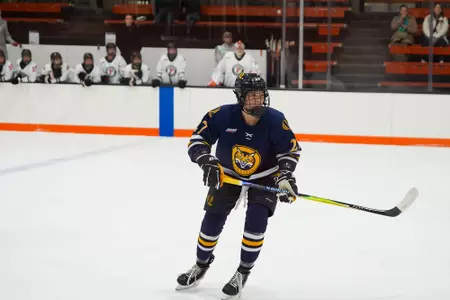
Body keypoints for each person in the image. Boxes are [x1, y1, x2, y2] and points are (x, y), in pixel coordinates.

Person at [176, 73, 301, 300]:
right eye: (251, 96)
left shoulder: (275, 120)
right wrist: (207, 161)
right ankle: (201, 264)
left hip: (265, 177)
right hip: (229, 175)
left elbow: (290, 150)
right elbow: (197, 140)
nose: (258, 101)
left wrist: (285, 176)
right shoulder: (221, 115)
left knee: (256, 221)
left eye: (260, 95)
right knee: (211, 221)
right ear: (240, 98)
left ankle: (243, 272)